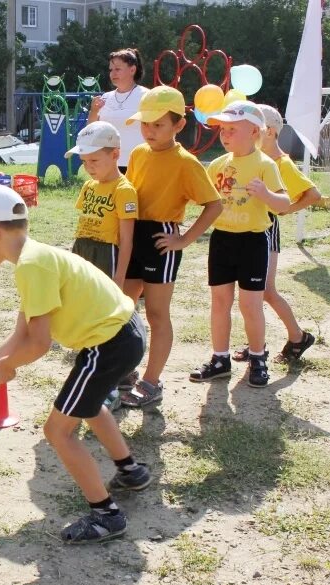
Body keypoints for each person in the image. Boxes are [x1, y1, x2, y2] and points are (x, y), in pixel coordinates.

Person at [0, 184, 150, 544]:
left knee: (57, 431)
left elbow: (39, 345)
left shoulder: (31, 266)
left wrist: (7, 368)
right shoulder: (34, 258)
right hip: (123, 333)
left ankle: (106, 514)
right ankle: (131, 470)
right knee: (89, 406)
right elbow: (21, 336)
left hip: (108, 344)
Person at [119, 86, 223, 408]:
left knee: (156, 313)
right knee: (124, 307)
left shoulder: (187, 163)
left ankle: (152, 382)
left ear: (179, 125)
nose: (149, 131)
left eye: (158, 125)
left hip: (161, 239)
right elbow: (131, 196)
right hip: (132, 234)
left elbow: (214, 205)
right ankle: (125, 370)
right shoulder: (137, 154)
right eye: (145, 124)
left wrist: (183, 240)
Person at [188, 102, 290, 388]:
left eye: (232, 129)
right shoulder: (219, 165)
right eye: (223, 129)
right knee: (220, 302)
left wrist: (266, 193)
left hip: (252, 242)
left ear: (254, 131)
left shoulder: (265, 164)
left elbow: (284, 204)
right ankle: (220, 359)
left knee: (250, 304)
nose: (225, 134)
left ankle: (258, 357)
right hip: (222, 241)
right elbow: (206, 199)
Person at [229, 104, 319, 364]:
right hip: (250, 229)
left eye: (252, 128)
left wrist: (285, 210)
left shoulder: (281, 163)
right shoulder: (256, 160)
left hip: (266, 229)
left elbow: (312, 194)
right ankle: (258, 342)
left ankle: (297, 336)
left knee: (264, 290)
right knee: (253, 291)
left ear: (267, 131)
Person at [65, 120, 139, 411]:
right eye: (85, 161)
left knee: (106, 321)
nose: (90, 167)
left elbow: (127, 239)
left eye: (95, 160)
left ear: (115, 155)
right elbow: (83, 225)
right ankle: (108, 373)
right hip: (84, 252)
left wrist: (119, 279)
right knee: (86, 316)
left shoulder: (125, 190)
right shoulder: (88, 186)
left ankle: (113, 383)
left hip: (107, 255)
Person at [88, 48, 149, 173]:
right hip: (109, 165)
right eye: (111, 70)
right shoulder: (105, 98)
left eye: (118, 69)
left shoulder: (146, 96)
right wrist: (93, 111)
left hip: (139, 164)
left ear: (132, 70)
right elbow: (90, 131)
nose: (113, 73)